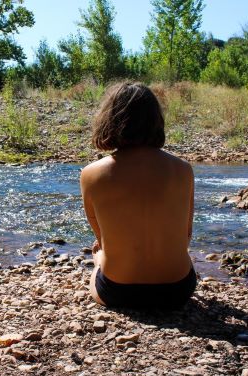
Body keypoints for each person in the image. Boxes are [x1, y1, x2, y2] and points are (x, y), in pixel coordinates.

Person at [80, 82, 196, 310]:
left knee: (99, 254)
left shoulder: (92, 174)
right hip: (178, 290)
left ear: (109, 120)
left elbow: (103, 239)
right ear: (156, 122)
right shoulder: (183, 169)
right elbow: (187, 234)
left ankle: (98, 264)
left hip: (118, 292)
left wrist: (100, 258)